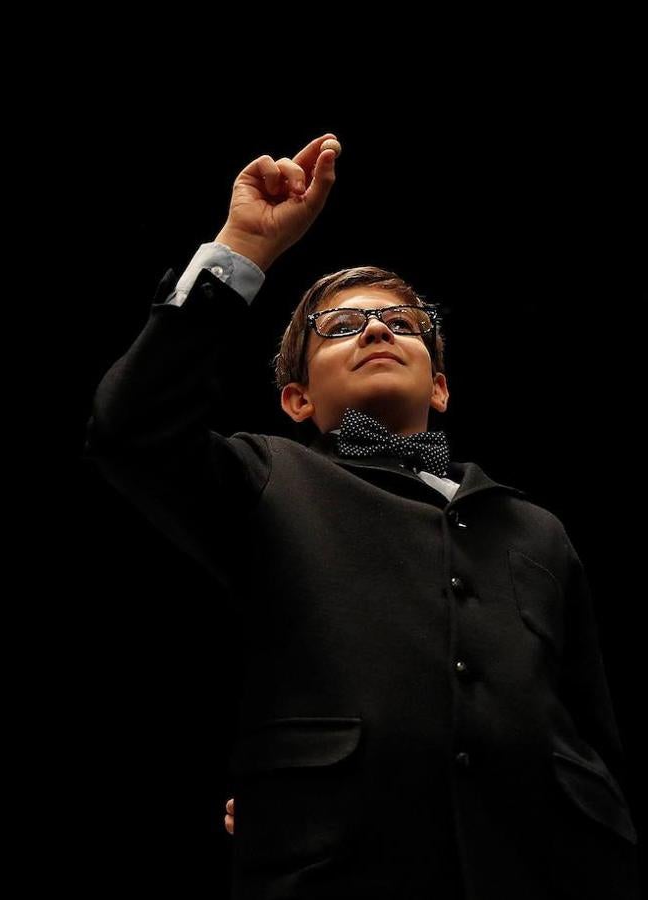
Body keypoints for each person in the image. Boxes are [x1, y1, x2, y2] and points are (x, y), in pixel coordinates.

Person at [85, 134, 640, 899]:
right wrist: (242, 246)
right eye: (340, 328)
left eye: (400, 323)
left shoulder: (537, 530)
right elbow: (129, 429)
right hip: (338, 871)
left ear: (439, 388)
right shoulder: (269, 477)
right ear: (296, 400)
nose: (376, 330)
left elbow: (590, 729)